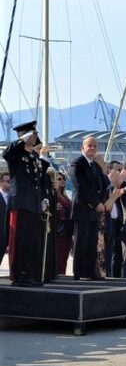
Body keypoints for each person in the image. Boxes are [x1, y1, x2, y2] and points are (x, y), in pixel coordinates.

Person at [2, 121, 47, 286]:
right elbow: (7, 154)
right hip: (20, 203)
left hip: (33, 204)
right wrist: (21, 139)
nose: (35, 136)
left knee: (31, 240)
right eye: (32, 134)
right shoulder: (15, 154)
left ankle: (29, 273)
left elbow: (38, 181)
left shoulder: (33, 156)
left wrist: (42, 198)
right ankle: (18, 274)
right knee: (18, 240)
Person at [68, 136, 108, 281]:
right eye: (89, 145)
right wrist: (95, 203)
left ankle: (90, 271)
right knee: (81, 242)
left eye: (95, 146)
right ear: (82, 148)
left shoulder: (96, 166)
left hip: (95, 210)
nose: (92, 148)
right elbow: (80, 186)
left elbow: (102, 187)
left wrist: (101, 202)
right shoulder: (77, 164)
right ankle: (78, 272)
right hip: (83, 209)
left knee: (92, 243)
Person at [53, 172, 73, 275]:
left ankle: (62, 274)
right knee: (58, 256)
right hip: (58, 230)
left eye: (64, 179)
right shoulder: (53, 196)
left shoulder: (66, 197)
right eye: (59, 179)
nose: (62, 181)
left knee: (65, 257)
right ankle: (57, 275)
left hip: (67, 230)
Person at [0, 172, 10, 266]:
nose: (10, 184)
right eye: (8, 181)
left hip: (7, 236)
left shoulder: (12, 198)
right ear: (1, 182)